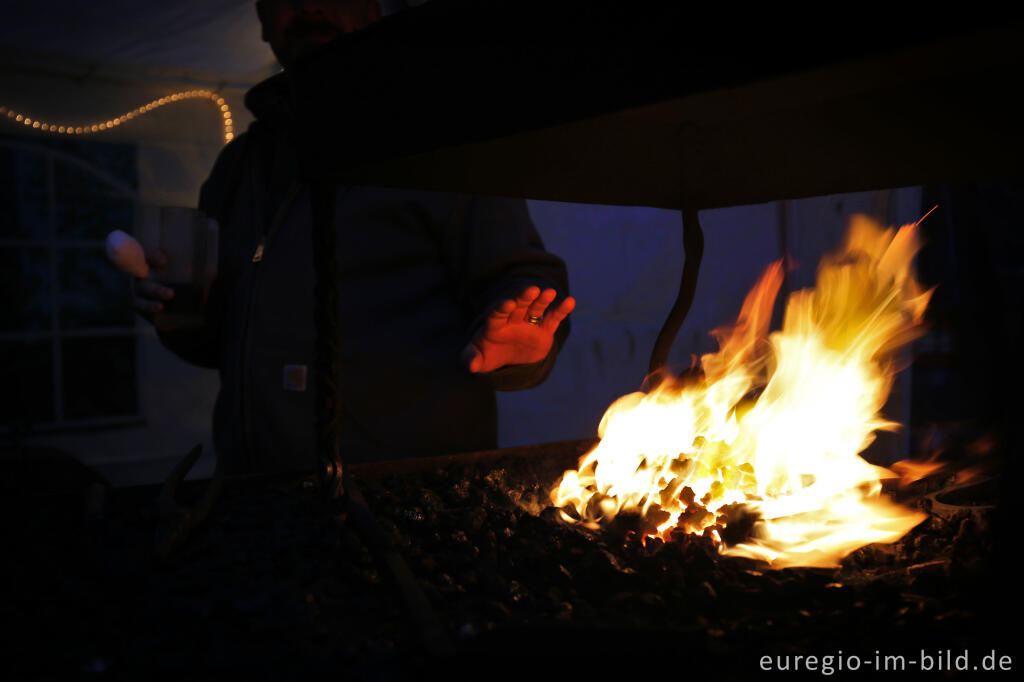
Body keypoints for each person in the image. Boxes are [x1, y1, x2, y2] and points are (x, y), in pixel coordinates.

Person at [131, 0, 574, 474]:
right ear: (261, 18)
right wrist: (178, 313)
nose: (311, 6)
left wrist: (520, 344)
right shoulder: (241, 164)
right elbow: (220, 340)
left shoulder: (437, 139)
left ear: (374, 9)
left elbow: (520, 276)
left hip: (409, 504)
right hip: (256, 496)